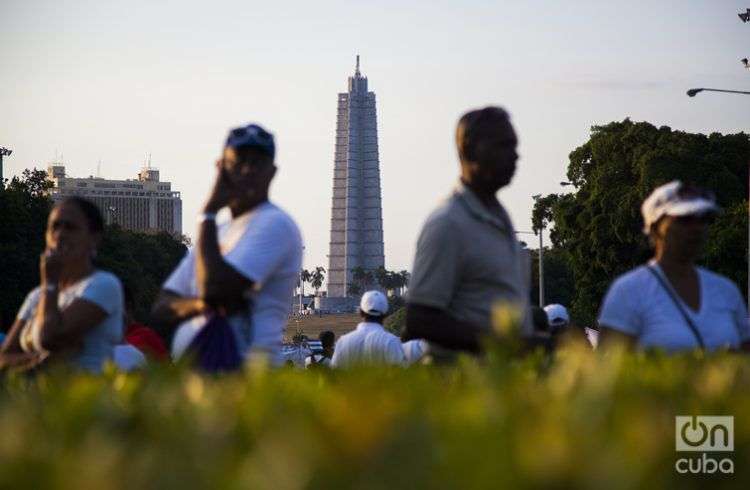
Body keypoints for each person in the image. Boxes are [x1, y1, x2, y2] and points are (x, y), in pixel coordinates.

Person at [151, 123, 303, 366]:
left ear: (272, 172)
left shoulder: (274, 223)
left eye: (257, 163)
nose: (247, 170)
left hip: (245, 375)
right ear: (221, 167)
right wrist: (202, 304)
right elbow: (162, 307)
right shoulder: (216, 232)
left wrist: (208, 212)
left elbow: (214, 289)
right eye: (239, 161)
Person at [403, 106, 530, 356]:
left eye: (514, 146)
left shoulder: (497, 217)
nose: (515, 156)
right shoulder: (448, 224)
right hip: (464, 384)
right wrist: (505, 344)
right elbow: (419, 319)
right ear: (470, 150)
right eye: (504, 146)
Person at [598, 181, 750, 352]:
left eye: (704, 219)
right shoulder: (628, 292)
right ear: (655, 227)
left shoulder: (726, 291)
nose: (697, 228)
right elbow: (608, 373)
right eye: (684, 219)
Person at [0, 197, 124, 372]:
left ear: (94, 238)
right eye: (54, 227)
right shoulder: (37, 296)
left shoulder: (103, 284)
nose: (60, 235)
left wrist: (50, 283)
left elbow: (48, 337)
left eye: (70, 227)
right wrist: (40, 360)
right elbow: (3, 358)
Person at [331, 291, 406, 367]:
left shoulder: (343, 342)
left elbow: (334, 373)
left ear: (361, 312)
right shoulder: (391, 342)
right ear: (385, 314)